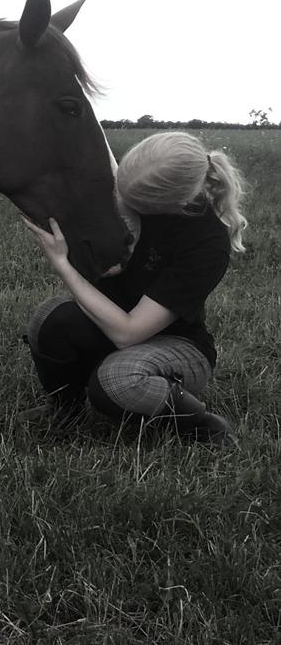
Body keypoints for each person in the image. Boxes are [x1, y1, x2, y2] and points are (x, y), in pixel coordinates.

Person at [21, 131, 247, 446]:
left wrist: (63, 264)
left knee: (115, 382)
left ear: (172, 204)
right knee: (49, 319)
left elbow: (128, 333)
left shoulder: (207, 244)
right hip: (119, 319)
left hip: (177, 344)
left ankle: (201, 424)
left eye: (133, 204)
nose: (122, 204)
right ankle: (64, 408)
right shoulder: (136, 192)